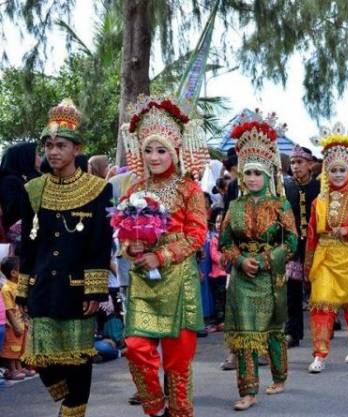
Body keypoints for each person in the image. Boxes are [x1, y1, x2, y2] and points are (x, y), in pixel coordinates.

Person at [16, 99, 113, 417]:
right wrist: (22, 289)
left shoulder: (98, 189)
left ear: (76, 149)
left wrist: (95, 290)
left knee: (78, 364)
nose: (53, 151)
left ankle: (73, 410)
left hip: (77, 289)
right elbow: (28, 245)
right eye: (48, 145)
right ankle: (65, 397)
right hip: (43, 286)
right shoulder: (34, 189)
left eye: (61, 145)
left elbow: (100, 244)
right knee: (38, 357)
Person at [119, 95, 209, 417]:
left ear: (175, 151)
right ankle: (154, 405)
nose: (154, 157)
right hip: (144, 278)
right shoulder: (133, 189)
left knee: (177, 356)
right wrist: (131, 249)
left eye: (161, 150)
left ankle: (181, 411)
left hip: (178, 278)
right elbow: (122, 235)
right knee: (135, 347)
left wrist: (163, 255)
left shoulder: (190, 189)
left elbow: (197, 236)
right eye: (148, 150)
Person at [220, 112, 297, 411]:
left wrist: (266, 261)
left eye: (257, 173)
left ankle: (279, 376)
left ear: (268, 175)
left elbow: (291, 242)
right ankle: (248, 390)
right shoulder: (234, 205)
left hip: (269, 277)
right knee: (244, 335)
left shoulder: (280, 205)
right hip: (241, 278)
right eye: (247, 173)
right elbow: (224, 242)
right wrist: (239, 261)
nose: (252, 179)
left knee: (273, 330)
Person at [304, 125, 348, 372]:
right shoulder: (319, 200)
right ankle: (320, 354)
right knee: (321, 303)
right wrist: (308, 263)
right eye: (332, 170)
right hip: (325, 257)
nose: (337, 174)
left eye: (341, 170)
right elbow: (312, 233)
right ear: (326, 171)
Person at [283, 145, 320, 347]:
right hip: (293, 245)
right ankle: (293, 331)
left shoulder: (319, 188)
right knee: (292, 290)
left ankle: (323, 326)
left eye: (300, 162)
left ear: (310, 164)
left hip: (316, 244)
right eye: (293, 163)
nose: (295, 166)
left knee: (318, 287)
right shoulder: (286, 188)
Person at [0, 142, 41, 233]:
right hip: (18, 236)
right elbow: (14, 211)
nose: (39, 158)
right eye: (36, 154)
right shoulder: (9, 181)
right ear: (25, 157)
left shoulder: (28, 177)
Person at [1, 256, 28, 380]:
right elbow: (8, 309)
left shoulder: (19, 286)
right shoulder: (7, 288)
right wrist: (15, 325)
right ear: (13, 272)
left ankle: (19, 367)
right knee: (13, 346)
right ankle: (12, 369)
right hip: (12, 324)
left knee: (21, 345)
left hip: (22, 321)